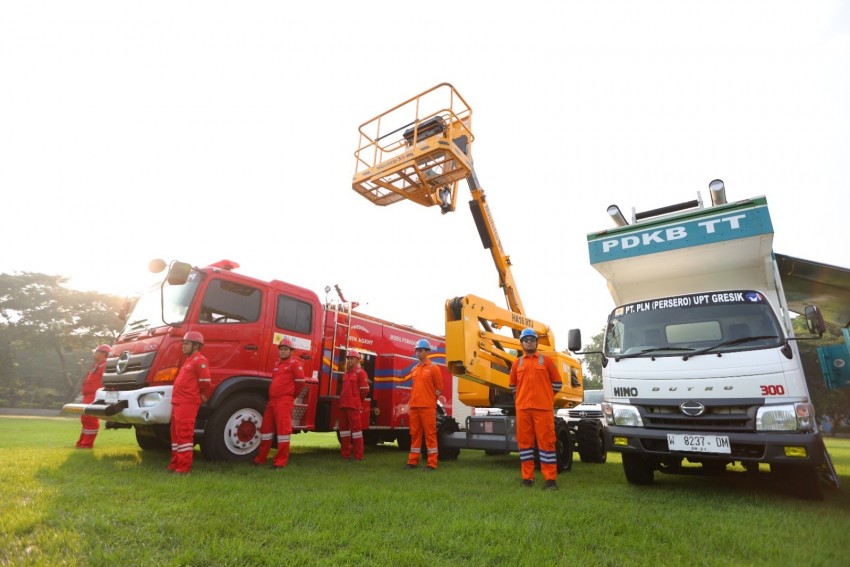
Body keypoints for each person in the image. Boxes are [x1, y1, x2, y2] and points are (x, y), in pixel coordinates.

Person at [510, 328, 562, 490]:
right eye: (526, 340)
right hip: (523, 410)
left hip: (543, 409)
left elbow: (557, 384)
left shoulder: (546, 361)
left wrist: (545, 396)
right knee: (525, 445)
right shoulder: (516, 363)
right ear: (521, 343)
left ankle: (550, 480)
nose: (529, 342)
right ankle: (527, 478)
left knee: (547, 444)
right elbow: (512, 386)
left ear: (536, 342)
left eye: (532, 339)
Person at [254, 337, 305, 468]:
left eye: (285, 349)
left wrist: (291, 395)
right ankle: (261, 459)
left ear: (291, 351)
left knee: (283, 432)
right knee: (265, 430)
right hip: (272, 401)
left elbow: (300, 383)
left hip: (284, 400)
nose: (282, 352)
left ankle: (280, 462)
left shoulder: (294, 363)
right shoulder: (277, 364)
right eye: (281, 349)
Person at [167, 331, 212, 474]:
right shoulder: (188, 361)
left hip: (187, 403)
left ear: (196, 345)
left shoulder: (200, 360)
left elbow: (205, 382)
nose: (183, 346)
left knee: (184, 434)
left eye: (186, 343)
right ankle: (175, 463)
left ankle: (184, 467)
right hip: (178, 402)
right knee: (175, 434)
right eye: (183, 343)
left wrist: (200, 395)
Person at [405, 338, 443, 471]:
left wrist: (430, 400)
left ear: (427, 352)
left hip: (427, 407)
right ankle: (412, 461)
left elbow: (438, 388)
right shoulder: (414, 369)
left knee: (430, 434)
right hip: (415, 406)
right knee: (414, 434)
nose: (418, 352)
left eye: (420, 350)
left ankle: (432, 463)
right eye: (417, 350)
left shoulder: (434, 368)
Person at [75, 344, 110, 448]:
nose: (94, 353)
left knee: (90, 419)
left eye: (97, 351)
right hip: (88, 395)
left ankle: (87, 444)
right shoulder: (97, 365)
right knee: (85, 419)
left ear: (104, 353)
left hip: (94, 395)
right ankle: (81, 443)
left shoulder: (106, 365)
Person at [339, 350, 370, 461]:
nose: (350, 360)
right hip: (343, 405)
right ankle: (345, 454)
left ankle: (358, 456)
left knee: (356, 432)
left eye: (352, 358)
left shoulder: (361, 373)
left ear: (357, 360)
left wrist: (357, 401)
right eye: (348, 358)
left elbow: (365, 391)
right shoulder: (346, 373)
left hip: (353, 406)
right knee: (344, 432)